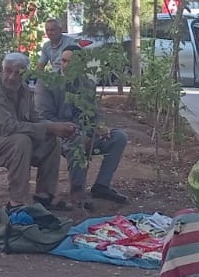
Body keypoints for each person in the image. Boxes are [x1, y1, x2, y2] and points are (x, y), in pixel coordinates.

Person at [0, 52, 76, 212]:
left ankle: (44, 195)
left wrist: (57, 127)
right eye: (8, 71)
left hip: (0, 140)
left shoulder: (23, 89)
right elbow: (7, 127)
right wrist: (49, 127)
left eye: (17, 73)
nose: (11, 77)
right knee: (21, 141)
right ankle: (17, 202)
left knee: (52, 140)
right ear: (2, 69)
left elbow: (34, 119)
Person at [33, 45, 130, 209]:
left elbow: (92, 114)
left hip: (83, 131)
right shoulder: (46, 82)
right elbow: (43, 117)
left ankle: (101, 186)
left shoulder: (87, 83)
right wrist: (75, 130)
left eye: (71, 62)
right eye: (63, 61)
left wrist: (99, 127)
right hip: (56, 134)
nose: (66, 65)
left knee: (119, 137)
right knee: (76, 141)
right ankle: (77, 192)